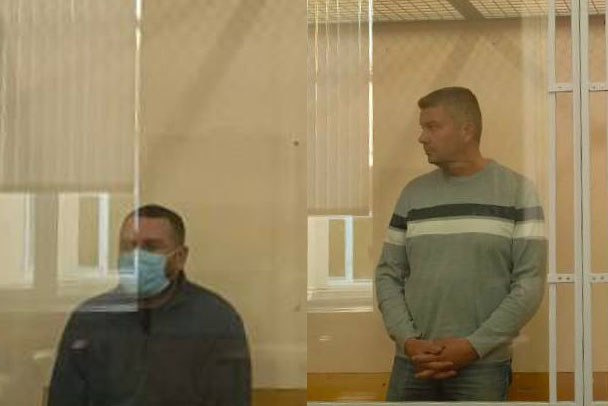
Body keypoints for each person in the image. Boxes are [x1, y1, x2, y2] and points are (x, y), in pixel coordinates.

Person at [375, 87, 546, 401]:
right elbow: (388, 275)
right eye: (422, 127)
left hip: (483, 366)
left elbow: (529, 283)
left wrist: (473, 347)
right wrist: (409, 342)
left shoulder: (517, 192)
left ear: (467, 130)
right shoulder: (413, 194)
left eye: (432, 127)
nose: (422, 138)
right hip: (413, 362)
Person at [49, 204, 251, 406]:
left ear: (180, 257)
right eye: (129, 246)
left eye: (151, 247)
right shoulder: (90, 318)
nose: (136, 257)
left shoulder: (216, 320)